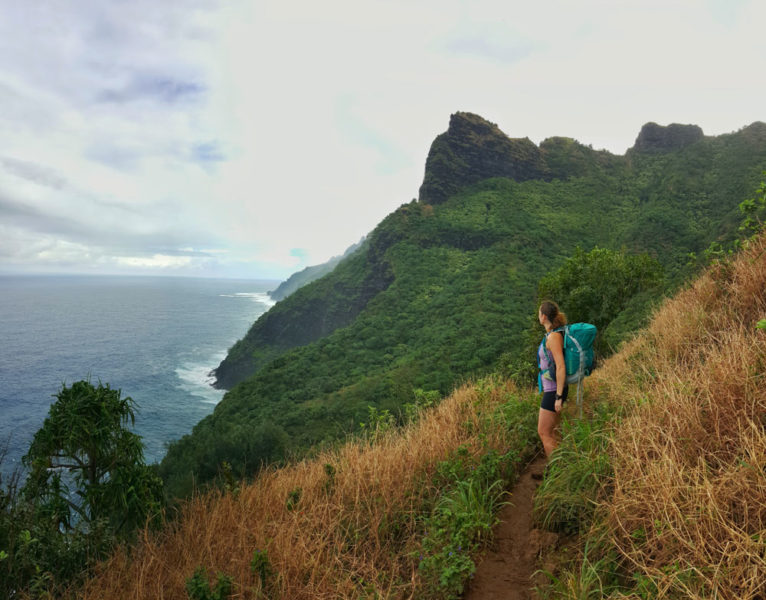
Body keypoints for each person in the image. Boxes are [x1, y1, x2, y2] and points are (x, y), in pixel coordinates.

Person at [537, 300, 568, 457]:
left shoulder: (554, 337)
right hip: (552, 389)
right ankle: (560, 468)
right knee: (553, 431)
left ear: (544, 317)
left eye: (539, 313)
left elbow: (561, 366)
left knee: (544, 432)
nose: (538, 316)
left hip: (554, 390)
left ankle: (557, 471)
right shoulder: (551, 335)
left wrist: (558, 396)